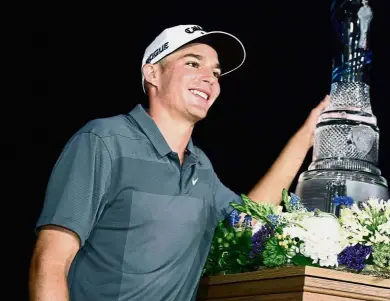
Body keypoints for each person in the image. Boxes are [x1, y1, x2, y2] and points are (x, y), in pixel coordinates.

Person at [28, 24, 330, 301]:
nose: (209, 77)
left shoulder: (201, 168)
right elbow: (50, 261)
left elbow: (251, 219)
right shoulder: (104, 141)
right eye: (193, 63)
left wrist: (307, 135)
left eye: (216, 72)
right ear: (152, 74)